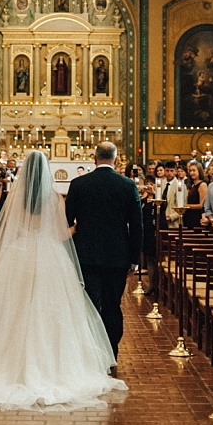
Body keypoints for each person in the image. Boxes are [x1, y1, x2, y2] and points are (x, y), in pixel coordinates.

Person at [0, 149, 128, 410]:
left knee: (15, 309)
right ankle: (52, 364)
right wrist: (77, 228)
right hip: (50, 256)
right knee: (51, 311)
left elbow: (9, 230)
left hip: (21, 255)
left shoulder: (15, 198)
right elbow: (61, 233)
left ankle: (7, 364)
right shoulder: (52, 198)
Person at [65, 141, 143, 364]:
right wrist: (135, 258)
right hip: (117, 256)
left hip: (86, 254)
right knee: (112, 305)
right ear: (116, 160)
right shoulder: (127, 185)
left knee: (90, 304)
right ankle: (111, 354)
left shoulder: (79, 185)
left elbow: (67, 221)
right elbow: (136, 225)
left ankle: (91, 356)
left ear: (94, 158)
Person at [182, 161, 206, 228]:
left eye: (194, 170)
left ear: (199, 171)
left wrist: (186, 206)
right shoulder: (191, 185)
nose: (192, 173)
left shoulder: (202, 185)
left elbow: (201, 205)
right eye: (190, 171)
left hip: (196, 216)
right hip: (189, 215)